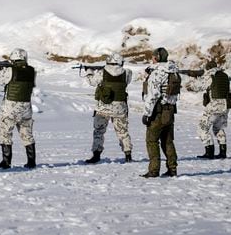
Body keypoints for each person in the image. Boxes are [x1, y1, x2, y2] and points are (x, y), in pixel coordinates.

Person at [0, 48, 36, 169]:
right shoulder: (32, 71)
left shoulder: (10, 70)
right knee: (27, 134)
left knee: (5, 132)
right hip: (26, 107)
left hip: (11, 107)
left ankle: (6, 161)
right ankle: (31, 162)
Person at [85, 52, 133, 164]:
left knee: (98, 132)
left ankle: (96, 155)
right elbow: (126, 82)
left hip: (103, 108)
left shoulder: (102, 72)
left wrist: (89, 72)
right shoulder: (127, 73)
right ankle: (128, 154)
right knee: (123, 132)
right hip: (120, 108)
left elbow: (92, 82)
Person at [141, 47, 181, 178]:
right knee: (168, 141)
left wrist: (147, 114)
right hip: (170, 111)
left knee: (151, 141)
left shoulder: (157, 73)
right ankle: (172, 169)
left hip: (157, 112)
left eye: (153, 57)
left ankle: (153, 170)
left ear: (157, 57)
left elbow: (153, 95)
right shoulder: (174, 72)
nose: (152, 59)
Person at [186, 60, 230, 159]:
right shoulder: (224, 75)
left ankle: (209, 152)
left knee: (202, 128)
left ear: (208, 68)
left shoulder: (210, 75)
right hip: (226, 105)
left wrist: (188, 85)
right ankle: (223, 152)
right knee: (218, 128)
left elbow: (198, 87)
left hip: (214, 105)